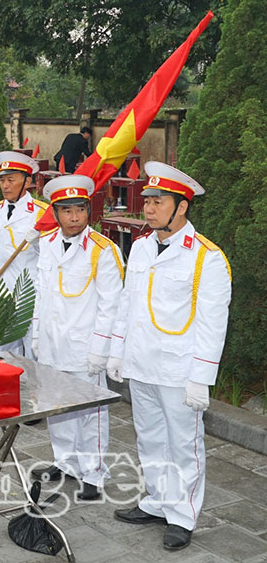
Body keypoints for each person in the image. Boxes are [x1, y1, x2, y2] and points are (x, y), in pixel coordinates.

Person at [107, 162, 231, 551]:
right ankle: (157, 501)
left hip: (179, 370)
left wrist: (201, 378)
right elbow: (128, 303)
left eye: (158, 202)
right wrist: (117, 350)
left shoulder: (207, 258)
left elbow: (213, 323)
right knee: (150, 438)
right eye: (147, 200)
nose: (148, 208)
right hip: (142, 362)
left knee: (183, 443)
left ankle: (182, 514)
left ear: (182, 208)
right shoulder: (142, 247)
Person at [30, 175, 122, 501]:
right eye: (66, 211)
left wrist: (101, 349)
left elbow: (112, 304)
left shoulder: (103, 250)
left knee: (91, 413)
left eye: (79, 210)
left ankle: (94, 473)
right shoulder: (47, 244)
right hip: (53, 343)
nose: (73, 218)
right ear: (55, 213)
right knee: (58, 407)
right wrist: (37, 335)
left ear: (88, 211)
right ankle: (65, 461)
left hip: (85, 348)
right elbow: (42, 293)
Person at [0, 151, 47, 358]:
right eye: (2, 180)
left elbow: (47, 258)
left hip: (29, 294)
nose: (5, 186)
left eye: (11, 180)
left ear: (27, 182)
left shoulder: (41, 213)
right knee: (5, 353)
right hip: (1, 293)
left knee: (33, 353)